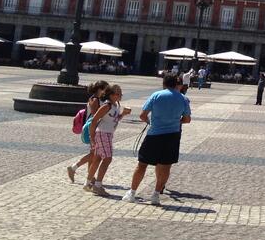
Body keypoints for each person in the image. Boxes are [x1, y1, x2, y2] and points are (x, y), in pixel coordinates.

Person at [122, 73, 192, 206]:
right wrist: (176, 122)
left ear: (164, 83)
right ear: (177, 84)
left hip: (154, 134)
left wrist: (151, 122)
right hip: (172, 136)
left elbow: (143, 115)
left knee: (142, 164)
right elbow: (187, 119)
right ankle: (156, 195)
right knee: (165, 166)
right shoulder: (183, 99)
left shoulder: (156, 95)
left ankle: (132, 192)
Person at [87, 84, 131, 196]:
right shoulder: (106, 105)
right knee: (107, 159)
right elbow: (94, 120)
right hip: (102, 133)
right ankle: (97, 185)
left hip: (108, 134)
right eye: (117, 93)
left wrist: (123, 114)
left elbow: (114, 119)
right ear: (110, 94)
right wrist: (92, 137)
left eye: (120, 93)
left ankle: (88, 183)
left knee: (97, 159)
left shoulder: (115, 105)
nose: (119, 95)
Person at [68, 80, 110, 185]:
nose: (106, 92)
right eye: (105, 89)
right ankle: (73, 168)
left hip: (94, 128)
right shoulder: (95, 100)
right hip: (93, 129)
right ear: (100, 89)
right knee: (93, 154)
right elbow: (96, 116)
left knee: (93, 154)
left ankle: (90, 176)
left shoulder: (95, 99)